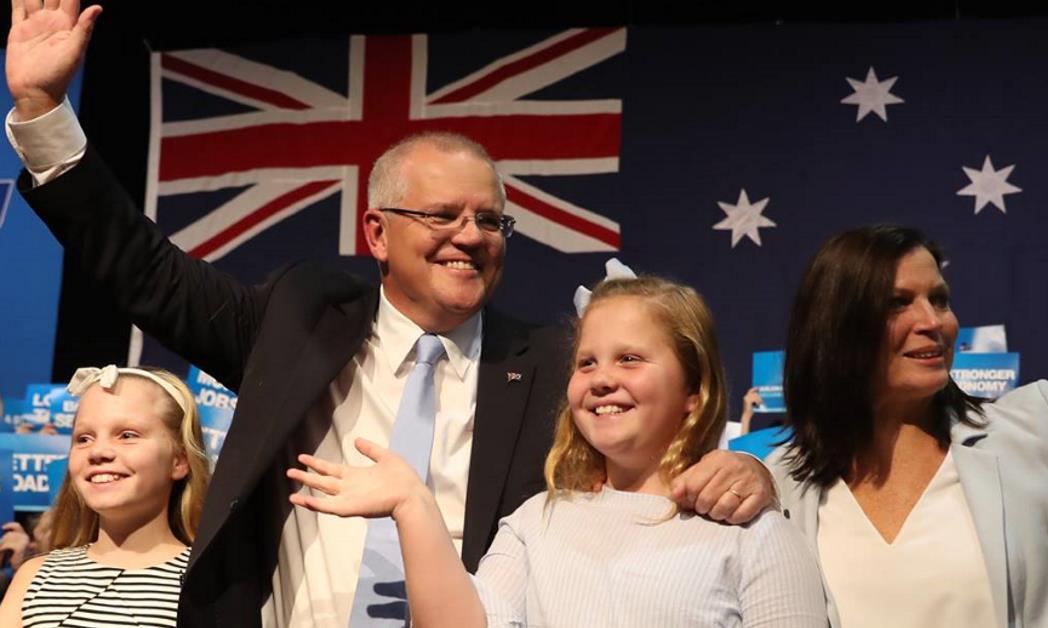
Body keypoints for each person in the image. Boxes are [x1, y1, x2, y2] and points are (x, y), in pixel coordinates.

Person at [3, 3, 775, 625]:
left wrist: (745, 473)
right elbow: (143, 271)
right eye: (442, 215)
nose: (470, 237)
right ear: (377, 232)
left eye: (491, 221)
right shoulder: (298, 320)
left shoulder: (550, 364)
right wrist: (42, 109)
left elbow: (645, 460)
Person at [288, 276, 827, 626]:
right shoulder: (534, 524)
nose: (602, 380)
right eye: (586, 363)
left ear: (694, 390)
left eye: (631, 359)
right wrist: (413, 503)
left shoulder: (756, 536)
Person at [766, 224, 1048, 627]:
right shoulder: (781, 485)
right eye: (898, 302)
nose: (934, 322)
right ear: (835, 326)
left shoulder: (1042, 432)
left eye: (939, 299)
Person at [0, 364, 211, 627]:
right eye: (84, 438)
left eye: (127, 435)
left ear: (179, 460)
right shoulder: (35, 578)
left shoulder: (207, 585)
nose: (98, 451)